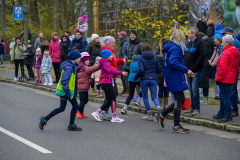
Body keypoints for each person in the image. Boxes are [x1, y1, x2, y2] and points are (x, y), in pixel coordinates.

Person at [156, 29, 193, 133]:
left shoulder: (173, 47)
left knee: (180, 99)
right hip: (174, 77)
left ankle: (162, 115)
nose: (185, 38)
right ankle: (176, 126)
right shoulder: (175, 48)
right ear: (179, 37)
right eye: (183, 36)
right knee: (178, 100)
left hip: (174, 76)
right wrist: (186, 70)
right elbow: (173, 63)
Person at [39, 50, 82, 131]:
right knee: (67, 107)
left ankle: (45, 119)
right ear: (74, 58)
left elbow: (74, 81)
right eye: (79, 57)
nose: (80, 59)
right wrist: (67, 91)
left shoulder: (73, 66)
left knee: (68, 107)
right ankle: (70, 125)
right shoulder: (69, 67)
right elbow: (64, 80)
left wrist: (75, 90)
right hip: (65, 91)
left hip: (68, 90)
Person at [91, 49, 128, 123]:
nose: (112, 56)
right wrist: (121, 73)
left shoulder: (105, 62)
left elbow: (109, 72)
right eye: (111, 55)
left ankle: (97, 113)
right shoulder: (105, 63)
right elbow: (110, 71)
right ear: (106, 56)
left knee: (109, 100)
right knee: (113, 98)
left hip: (106, 82)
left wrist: (116, 74)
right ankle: (114, 117)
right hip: (107, 83)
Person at [98, 36, 126, 120]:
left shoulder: (112, 52)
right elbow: (108, 67)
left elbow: (114, 63)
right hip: (108, 77)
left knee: (112, 95)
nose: (114, 44)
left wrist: (121, 60)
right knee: (112, 95)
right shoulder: (106, 52)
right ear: (108, 43)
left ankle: (104, 111)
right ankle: (104, 111)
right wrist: (118, 73)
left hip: (111, 77)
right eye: (112, 43)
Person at [213, 35, 239, 122]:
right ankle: (221, 112)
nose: (221, 44)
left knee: (225, 96)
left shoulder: (226, 53)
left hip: (224, 78)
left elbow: (222, 68)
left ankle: (228, 115)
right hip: (231, 77)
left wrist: (218, 78)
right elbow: (236, 67)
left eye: (223, 42)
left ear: (227, 43)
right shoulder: (235, 52)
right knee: (224, 95)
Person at [134, 43, 162, 120]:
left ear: (142, 50)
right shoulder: (155, 57)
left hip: (144, 80)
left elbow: (141, 70)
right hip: (153, 79)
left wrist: (136, 77)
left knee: (145, 97)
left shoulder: (141, 58)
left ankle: (149, 115)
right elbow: (159, 69)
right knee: (154, 97)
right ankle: (158, 107)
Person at [183, 27, 206, 116]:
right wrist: (186, 67)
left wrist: (194, 67)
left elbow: (202, 56)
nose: (187, 34)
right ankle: (192, 107)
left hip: (196, 71)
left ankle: (197, 109)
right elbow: (186, 55)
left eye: (189, 33)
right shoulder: (189, 43)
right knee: (191, 90)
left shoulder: (200, 42)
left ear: (194, 34)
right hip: (188, 70)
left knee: (195, 90)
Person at [220, 27, 240, 117]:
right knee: (225, 93)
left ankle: (234, 110)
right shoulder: (228, 42)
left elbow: (237, 58)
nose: (223, 36)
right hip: (227, 71)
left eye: (224, 34)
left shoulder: (235, 43)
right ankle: (226, 109)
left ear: (230, 33)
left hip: (231, 71)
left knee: (232, 91)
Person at [76, 52, 101, 119]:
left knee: (82, 100)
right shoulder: (85, 67)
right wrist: (99, 66)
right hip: (84, 86)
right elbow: (91, 69)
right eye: (86, 60)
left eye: (89, 60)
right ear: (83, 60)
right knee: (85, 100)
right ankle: (78, 110)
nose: (88, 61)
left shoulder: (79, 66)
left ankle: (81, 112)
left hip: (80, 87)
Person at [122, 29, 142, 97]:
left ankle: (138, 97)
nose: (131, 36)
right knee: (130, 80)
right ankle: (131, 96)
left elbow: (140, 54)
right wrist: (127, 59)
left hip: (136, 65)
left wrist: (135, 59)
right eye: (130, 35)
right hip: (128, 64)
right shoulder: (126, 44)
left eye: (133, 35)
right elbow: (124, 52)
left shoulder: (140, 44)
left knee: (137, 81)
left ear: (135, 35)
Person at [199, 34, 215, 104]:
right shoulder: (210, 43)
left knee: (204, 82)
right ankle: (205, 98)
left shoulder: (205, 44)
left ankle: (205, 98)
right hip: (207, 64)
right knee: (205, 81)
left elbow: (203, 54)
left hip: (204, 64)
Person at [155, 38, 169, 110]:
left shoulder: (168, 52)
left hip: (167, 73)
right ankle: (160, 104)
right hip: (160, 73)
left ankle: (166, 104)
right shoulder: (158, 52)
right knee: (161, 89)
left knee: (166, 89)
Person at [118, 31, 130, 96]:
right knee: (122, 76)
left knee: (125, 76)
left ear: (122, 36)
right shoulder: (122, 42)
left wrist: (123, 58)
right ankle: (124, 89)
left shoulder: (125, 42)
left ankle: (128, 91)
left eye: (119, 35)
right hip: (121, 61)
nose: (119, 36)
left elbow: (125, 52)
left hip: (124, 61)